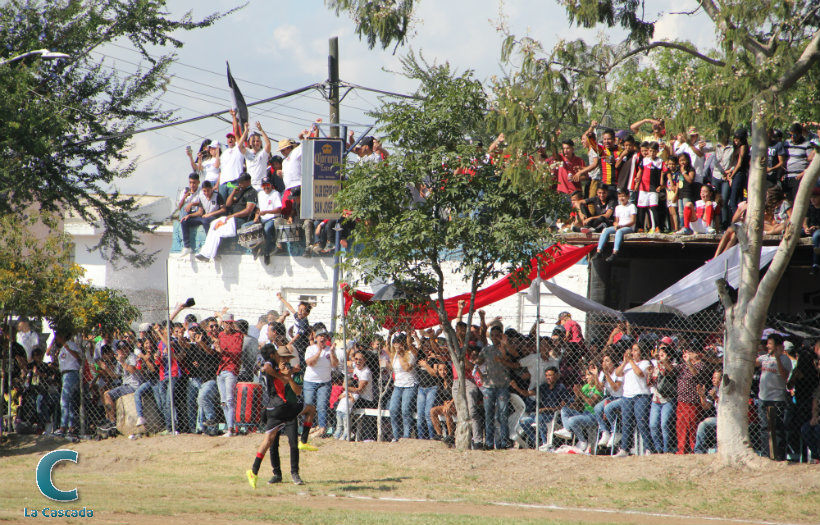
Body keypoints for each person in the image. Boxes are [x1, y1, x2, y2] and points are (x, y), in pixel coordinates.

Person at [246, 345, 305, 488]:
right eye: (282, 357)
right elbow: (265, 368)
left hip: (289, 410)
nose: (284, 360)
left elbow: (297, 392)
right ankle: (277, 474)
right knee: (272, 443)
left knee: (293, 443)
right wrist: (280, 374)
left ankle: (295, 473)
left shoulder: (294, 372)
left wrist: (289, 376)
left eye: (287, 358)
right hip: (276, 410)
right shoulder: (272, 370)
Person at [196, 172, 257, 261]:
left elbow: (248, 211)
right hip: (231, 218)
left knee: (218, 231)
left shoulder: (252, 192)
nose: (240, 184)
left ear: (248, 181)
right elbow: (228, 204)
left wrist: (232, 216)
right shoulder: (240, 191)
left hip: (239, 220)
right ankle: (204, 253)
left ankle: (210, 255)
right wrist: (233, 193)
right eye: (239, 182)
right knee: (213, 224)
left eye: (242, 182)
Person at [475, 326, 517, 449]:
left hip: (502, 385)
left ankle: (504, 442)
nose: (494, 338)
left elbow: (514, 354)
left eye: (497, 335)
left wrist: (505, 344)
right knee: (488, 415)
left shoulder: (505, 348)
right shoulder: (486, 349)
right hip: (488, 386)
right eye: (492, 335)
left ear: (501, 335)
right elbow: (478, 361)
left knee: (502, 415)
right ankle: (489, 443)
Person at [755, 333, 792, 460]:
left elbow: (784, 376)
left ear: (777, 346)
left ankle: (779, 456)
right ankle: (767, 455)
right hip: (763, 398)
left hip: (776, 399)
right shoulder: (764, 357)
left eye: (770, 344)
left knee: (776, 428)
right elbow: (753, 363)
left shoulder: (784, 359)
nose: (767, 346)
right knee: (765, 428)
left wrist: (777, 358)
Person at [614, 341, 654, 456]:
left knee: (642, 422)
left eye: (636, 350)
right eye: (632, 350)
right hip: (627, 396)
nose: (633, 352)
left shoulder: (645, 363)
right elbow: (618, 373)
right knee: (626, 423)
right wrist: (625, 362)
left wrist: (630, 361)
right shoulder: (627, 364)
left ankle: (649, 448)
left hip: (641, 395)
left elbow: (640, 374)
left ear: (641, 352)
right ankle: (625, 449)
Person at [302, 325, 338, 440]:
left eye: (325, 337)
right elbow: (310, 363)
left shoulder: (329, 350)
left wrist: (332, 353)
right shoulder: (310, 349)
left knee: (322, 406)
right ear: (316, 338)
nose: (322, 338)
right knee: (308, 405)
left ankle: (322, 428)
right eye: (320, 336)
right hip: (310, 382)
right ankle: (308, 427)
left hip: (324, 382)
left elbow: (334, 364)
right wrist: (318, 352)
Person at [555, 367, 602, 452]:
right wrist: (577, 395)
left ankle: (582, 441)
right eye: (586, 375)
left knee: (572, 420)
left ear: (595, 376)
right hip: (584, 413)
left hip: (593, 416)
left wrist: (580, 393)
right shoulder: (585, 387)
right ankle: (567, 430)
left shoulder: (598, 388)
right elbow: (578, 405)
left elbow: (591, 402)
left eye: (589, 375)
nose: (586, 377)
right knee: (564, 410)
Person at [100, 341, 142, 429]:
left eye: (125, 348)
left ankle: (113, 422)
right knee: (105, 393)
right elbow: (116, 376)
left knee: (108, 395)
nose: (124, 350)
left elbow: (132, 370)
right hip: (125, 385)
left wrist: (122, 362)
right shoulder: (121, 359)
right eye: (121, 349)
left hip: (133, 385)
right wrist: (106, 368)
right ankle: (109, 418)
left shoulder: (132, 357)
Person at [387, 331, 418, 441]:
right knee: (393, 409)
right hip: (398, 385)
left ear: (403, 343)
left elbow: (407, 368)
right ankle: (396, 436)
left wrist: (400, 355)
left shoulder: (410, 353)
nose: (396, 345)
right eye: (394, 342)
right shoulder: (393, 354)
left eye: (398, 342)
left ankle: (406, 436)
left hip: (409, 385)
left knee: (405, 410)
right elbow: (392, 367)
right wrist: (389, 335)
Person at [216, 313, 243, 437]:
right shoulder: (220, 335)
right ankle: (229, 427)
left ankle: (231, 429)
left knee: (230, 399)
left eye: (230, 323)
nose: (228, 325)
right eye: (226, 322)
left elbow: (236, 351)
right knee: (223, 401)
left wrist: (221, 349)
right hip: (221, 370)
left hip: (231, 369)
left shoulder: (238, 335)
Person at [48, 330, 81, 437]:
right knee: (69, 402)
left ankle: (63, 427)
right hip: (64, 374)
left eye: (57, 337)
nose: (56, 339)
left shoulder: (70, 345)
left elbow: (78, 357)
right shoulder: (62, 348)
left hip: (71, 374)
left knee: (64, 400)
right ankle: (71, 427)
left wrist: (67, 348)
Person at [591, 188, 636, 263]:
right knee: (606, 230)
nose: (621, 198)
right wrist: (616, 225)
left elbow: (633, 221)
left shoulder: (632, 206)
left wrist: (621, 226)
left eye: (623, 196)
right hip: (619, 226)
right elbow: (616, 221)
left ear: (628, 196)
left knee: (619, 232)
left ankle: (615, 253)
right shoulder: (618, 208)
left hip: (628, 228)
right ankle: (599, 251)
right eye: (620, 196)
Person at [591, 353, 624, 450]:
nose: (604, 363)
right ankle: (605, 431)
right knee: (597, 408)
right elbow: (599, 389)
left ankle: (616, 431)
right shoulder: (603, 373)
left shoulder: (618, 372)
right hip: (611, 397)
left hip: (621, 397)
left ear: (613, 362)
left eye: (607, 361)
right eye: (603, 361)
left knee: (608, 408)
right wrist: (596, 375)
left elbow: (615, 388)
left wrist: (607, 375)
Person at [649, 344, 678, 454]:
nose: (660, 356)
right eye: (659, 355)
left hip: (668, 399)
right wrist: (649, 373)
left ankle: (667, 449)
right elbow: (651, 383)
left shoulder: (673, 365)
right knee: (653, 425)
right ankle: (658, 448)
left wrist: (661, 362)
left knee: (664, 424)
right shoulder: (657, 365)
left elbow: (667, 372)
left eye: (663, 355)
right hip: (656, 399)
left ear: (669, 356)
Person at [783, 123, 815, 203]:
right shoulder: (787, 143)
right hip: (787, 176)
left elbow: (812, 161)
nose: (792, 137)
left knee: (797, 201)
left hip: (798, 176)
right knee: (787, 201)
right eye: (790, 135)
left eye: (794, 135)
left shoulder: (807, 144)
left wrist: (804, 173)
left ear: (800, 134)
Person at [254, 176, 283, 265]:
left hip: (272, 218)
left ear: (271, 185)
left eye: (267, 185)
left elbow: (279, 210)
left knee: (266, 230)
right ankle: (255, 250)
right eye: (264, 185)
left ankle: (267, 252)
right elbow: (258, 209)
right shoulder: (260, 194)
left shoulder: (275, 194)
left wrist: (266, 212)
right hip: (262, 218)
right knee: (247, 227)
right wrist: (256, 217)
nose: (266, 187)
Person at [219, 110, 245, 202]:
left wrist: (234, 117)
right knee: (222, 206)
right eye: (228, 138)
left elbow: (236, 131)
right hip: (223, 183)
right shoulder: (224, 154)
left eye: (232, 137)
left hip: (234, 181)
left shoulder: (238, 149)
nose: (230, 139)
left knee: (233, 203)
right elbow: (220, 170)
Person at [240, 121, 272, 191]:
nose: (255, 143)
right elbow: (239, 146)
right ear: (250, 143)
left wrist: (261, 130)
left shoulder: (263, 153)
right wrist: (246, 131)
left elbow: (268, 144)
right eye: (253, 141)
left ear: (260, 143)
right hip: (250, 185)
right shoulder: (247, 152)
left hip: (261, 185)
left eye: (257, 141)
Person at [725, 129, 750, 218]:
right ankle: (739, 218)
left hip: (740, 174)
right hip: (737, 173)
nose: (735, 140)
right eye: (735, 138)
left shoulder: (743, 147)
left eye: (737, 138)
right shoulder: (736, 147)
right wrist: (729, 172)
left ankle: (737, 219)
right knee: (738, 199)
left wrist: (732, 175)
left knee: (733, 201)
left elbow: (739, 164)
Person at [804, 188, 820, 276]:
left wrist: (817, 227)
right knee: (795, 233)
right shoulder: (810, 207)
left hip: (818, 230)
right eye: (811, 197)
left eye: (815, 197)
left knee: (816, 236)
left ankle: (815, 264)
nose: (812, 199)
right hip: (810, 229)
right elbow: (805, 221)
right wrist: (806, 228)